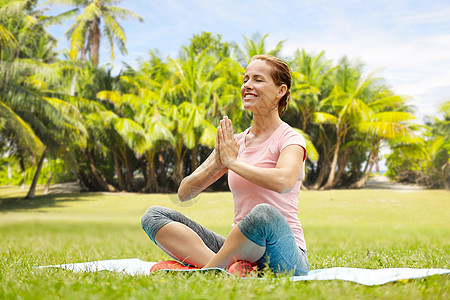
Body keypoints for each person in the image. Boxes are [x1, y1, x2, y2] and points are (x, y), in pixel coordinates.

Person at [141, 54, 309, 276]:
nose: (247, 86)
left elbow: (284, 181)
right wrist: (219, 163)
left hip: (282, 252)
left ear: (281, 91)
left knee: (264, 214)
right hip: (238, 247)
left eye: (258, 80)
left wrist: (232, 162)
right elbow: (184, 193)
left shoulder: (290, 139)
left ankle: (210, 270)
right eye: (245, 79)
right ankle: (227, 268)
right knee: (153, 215)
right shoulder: (234, 142)